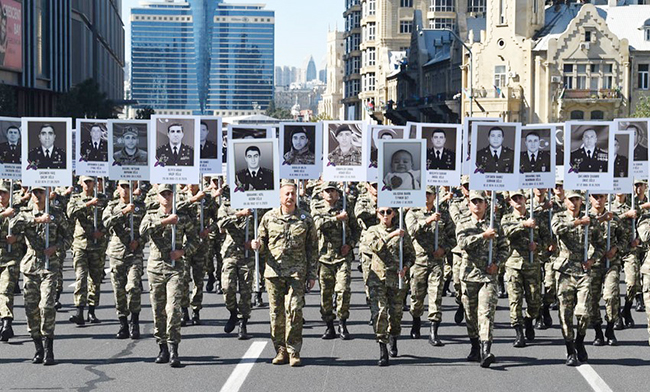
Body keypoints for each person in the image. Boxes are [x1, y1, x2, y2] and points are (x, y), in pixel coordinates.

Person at [251, 180, 317, 367]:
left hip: (297, 272)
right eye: (286, 194)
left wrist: (312, 274)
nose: (290, 197)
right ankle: (280, 350)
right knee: (276, 314)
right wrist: (257, 245)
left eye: (292, 194)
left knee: (294, 310)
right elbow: (262, 243)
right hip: (274, 272)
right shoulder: (268, 217)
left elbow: (313, 248)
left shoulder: (305, 218)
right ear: (279, 197)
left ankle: (293, 350)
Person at [140, 183, 197, 368]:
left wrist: (183, 252)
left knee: (173, 309)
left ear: (173, 196)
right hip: (156, 267)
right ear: (157, 197)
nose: (166, 197)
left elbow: (195, 240)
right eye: (162, 194)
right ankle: (162, 346)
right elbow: (143, 232)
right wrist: (165, 221)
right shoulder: (150, 215)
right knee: (158, 310)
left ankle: (174, 348)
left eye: (168, 194)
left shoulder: (183, 217)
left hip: (175, 268)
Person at [12, 186, 70, 365]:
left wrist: (56, 247)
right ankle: (37, 348)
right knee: (31, 310)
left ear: (47, 192)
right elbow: (13, 227)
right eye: (35, 192)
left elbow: (68, 237)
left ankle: (49, 349)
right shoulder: (25, 213)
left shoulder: (57, 214)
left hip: (49, 265)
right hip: (31, 265)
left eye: (41, 192)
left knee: (47, 306)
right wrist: (37, 220)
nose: (38, 195)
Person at [551, 189, 605, 366]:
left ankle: (580, 341)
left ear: (582, 201)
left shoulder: (591, 221)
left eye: (577, 199)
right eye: (570, 199)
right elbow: (557, 230)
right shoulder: (559, 217)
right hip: (565, 269)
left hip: (583, 270)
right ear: (565, 201)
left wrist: (592, 260)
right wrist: (578, 222)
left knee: (583, 311)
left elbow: (600, 245)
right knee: (565, 313)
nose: (574, 203)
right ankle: (570, 350)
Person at [456, 190, 509, 368]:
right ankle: (475, 347)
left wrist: (498, 264)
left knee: (485, 313)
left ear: (486, 204)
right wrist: (482, 236)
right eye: (474, 202)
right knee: (470, 315)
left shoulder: (494, 225)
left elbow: (504, 248)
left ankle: (486, 350)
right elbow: (462, 243)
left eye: (480, 201)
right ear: (469, 205)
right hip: (469, 275)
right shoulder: (463, 223)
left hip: (488, 276)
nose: (477, 205)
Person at [360, 205, 415, 366]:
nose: (385, 215)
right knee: (380, 313)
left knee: (396, 315)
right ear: (377, 214)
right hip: (377, 279)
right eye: (381, 212)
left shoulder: (402, 232)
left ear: (394, 214)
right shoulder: (372, 230)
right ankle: (382, 348)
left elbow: (411, 255)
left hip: (396, 279)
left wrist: (406, 267)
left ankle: (393, 337)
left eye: (388, 212)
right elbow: (376, 246)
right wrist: (393, 235)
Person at [501, 189, 551, 348]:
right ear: (510, 202)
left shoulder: (536, 218)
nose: (517, 201)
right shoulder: (507, 218)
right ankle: (519, 333)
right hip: (513, 265)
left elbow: (547, 240)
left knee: (535, 301)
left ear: (525, 199)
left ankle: (529, 320)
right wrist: (523, 224)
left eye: (520, 198)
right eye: (514, 198)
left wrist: (537, 246)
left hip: (532, 265)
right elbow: (506, 232)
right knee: (515, 300)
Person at [406, 186, 455, 346]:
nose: (426, 197)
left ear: (435, 196)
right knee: (417, 297)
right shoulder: (412, 213)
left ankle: (433, 332)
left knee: (436, 297)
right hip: (418, 261)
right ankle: (416, 321)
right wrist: (428, 220)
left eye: (429, 194)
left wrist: (444, 249)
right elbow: (411, 231)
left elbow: (453, 237)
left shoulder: (444, 215)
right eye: (424, 194)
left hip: (436, 262)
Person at [312, 182, 357, 340]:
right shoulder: (317, 208)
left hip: (342, 257)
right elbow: (317, 225)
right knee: (326, 293)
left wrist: (350, 245)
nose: (330, 194)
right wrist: (337, 218)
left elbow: (356, 229)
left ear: (338, 194)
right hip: (324, 258)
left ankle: (342, 323)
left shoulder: (346, 207)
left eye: (333, 191)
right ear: (322, 193)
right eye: (327, 191)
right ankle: (329, 325)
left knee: (343, 290)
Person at [102, 180, 146, 340]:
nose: (126, 190)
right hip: (117, 253)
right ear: (118, 188)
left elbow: (148, 229)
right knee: (119, 291)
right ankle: (123, 323)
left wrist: (140, 241)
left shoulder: (141, 206)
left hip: (135, 253)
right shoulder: (112, 206)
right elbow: (106, 223)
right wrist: (124, 212)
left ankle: (135, 320)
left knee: (134, 287)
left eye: (129, 186)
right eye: (123, 186)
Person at [67, 176, 109, 325]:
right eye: (85, 181)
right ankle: (79, 311)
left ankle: (92, 310)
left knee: (95, 279)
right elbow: (70, 213)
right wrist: (88, 204)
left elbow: (110, 219)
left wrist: (102, 231)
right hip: (80, 244)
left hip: (97, 245)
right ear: (80, 183)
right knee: (81, 277)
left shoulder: (103, 199)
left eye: (91, 181)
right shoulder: (76, 198)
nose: (88, 184)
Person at [588, 193, 627, 346]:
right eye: (595, 196)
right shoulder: (585, 218)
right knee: (592, 300)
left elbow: (625, 238)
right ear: (590, 198)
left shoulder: (614, 217)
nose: (598, 200)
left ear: (606, 198)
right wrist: (601, 220)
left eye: (602, 196)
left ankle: (610, 328)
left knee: (611, 296)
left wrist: (616, 249)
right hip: (593, 264)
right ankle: (598, 332)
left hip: (611, 263)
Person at [217, 187, 255, 340]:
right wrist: (239, 214)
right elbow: (221, 223)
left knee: (246, 291)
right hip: (230, 253)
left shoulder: (256, 203)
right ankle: (232, 312)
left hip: (247, 254)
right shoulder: (226, 206)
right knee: (227, 287)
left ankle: (243, 322)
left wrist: (254, 241)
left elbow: (263, 225)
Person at [176, 183, 217, 326]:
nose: (191, 185)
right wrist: (193, 199)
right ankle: (184, 309)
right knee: (183, 279)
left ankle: (196, 310)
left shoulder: (208, 199)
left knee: (199, 279)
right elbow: (174, 209)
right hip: (185, 245)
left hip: (201, 245)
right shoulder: (180, 197)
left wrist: (208, 229)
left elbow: (218, 219)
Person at [0, 182, 25, 342]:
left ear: (10, 194)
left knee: (6, 290)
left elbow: (28, 232)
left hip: (11, 258)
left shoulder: (18, 212)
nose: (1, 196)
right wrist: (3, 215)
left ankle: (6, 323)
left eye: (4, 193)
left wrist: (17, 238)